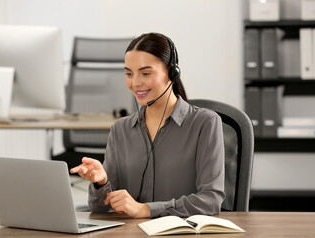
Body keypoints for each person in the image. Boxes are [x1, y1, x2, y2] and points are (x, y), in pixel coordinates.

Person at [70, 33, 225, 219]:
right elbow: (99, 208)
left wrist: (146, 209)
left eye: (146, 73)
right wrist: (101, 182)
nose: (135, 83)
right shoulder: (120, 130)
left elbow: (211, 199)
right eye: (129, 73)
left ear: (172, 73)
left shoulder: (205, 123)